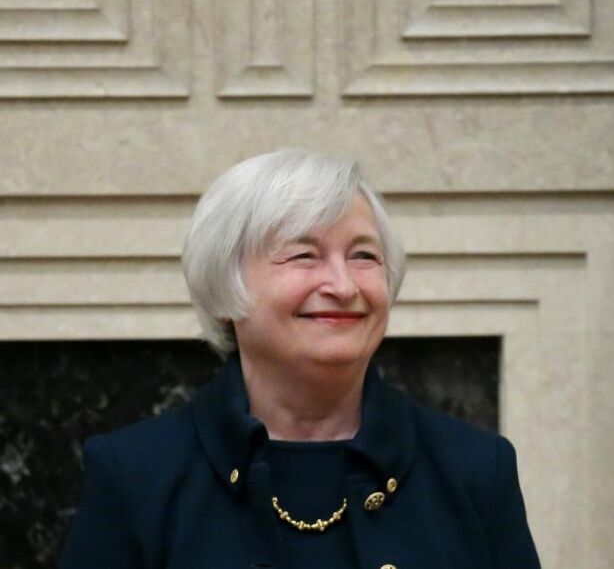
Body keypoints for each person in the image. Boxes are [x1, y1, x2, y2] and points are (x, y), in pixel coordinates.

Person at [59, 150, 541, 569]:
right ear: (226, 285)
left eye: (364, 256)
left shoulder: (477, 468)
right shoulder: (134, 474)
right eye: (304, 256)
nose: (344, 286)